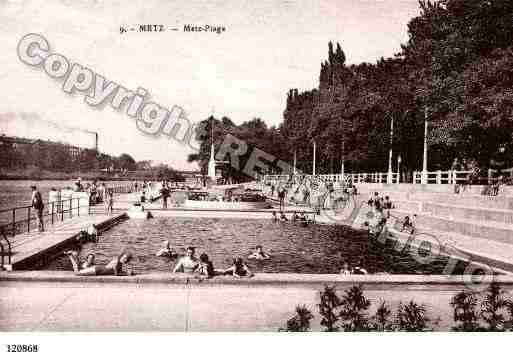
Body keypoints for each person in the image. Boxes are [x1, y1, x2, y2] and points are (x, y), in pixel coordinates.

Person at [65, 251, 133, 276]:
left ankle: (76, 259)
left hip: (98, 270)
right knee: (77, 273)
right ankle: (71, 257)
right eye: (124, 258)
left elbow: (119, 271)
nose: (124, 260)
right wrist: (127, 273)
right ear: (121, 256)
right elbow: (116, 274)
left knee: (80, 270)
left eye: (126, 259)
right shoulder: (116, 261)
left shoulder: (120, 264)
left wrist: (127, 272)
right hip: (96, 270)